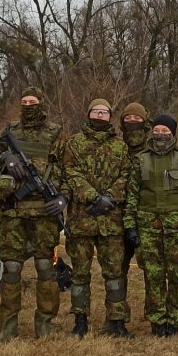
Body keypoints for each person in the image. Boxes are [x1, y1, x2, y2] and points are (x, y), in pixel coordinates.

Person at [0, 86, 68, 341]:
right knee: (10, 268)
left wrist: (63, 198)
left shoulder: (55, 133)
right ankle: (7, 328)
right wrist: (6, 158)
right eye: (24, 100)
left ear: (41, 103)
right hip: (13, 212)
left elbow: (68, 168)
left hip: (44, 212)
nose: (28, 104)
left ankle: (45, 325)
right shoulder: (8, 132)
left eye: (33, 101)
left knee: (45, 267)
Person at [124, 114, 178, 336]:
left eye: (165, 130)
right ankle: (158, 322)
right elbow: (132, 196)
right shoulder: (140, 160)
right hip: (148, 228)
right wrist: (130, 226)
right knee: (153, 276)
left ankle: (177, 321)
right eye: (157, 130)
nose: (160, 134)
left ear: (173, 133)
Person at [62, 99, 133, 338]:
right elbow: (70, 173)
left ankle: (117, 321)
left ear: (110, 116)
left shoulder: (120, 147)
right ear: (89, 113)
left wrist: (110, 197)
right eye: (96, 111)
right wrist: (93, 196)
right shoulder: (74, 143)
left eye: (104, 112)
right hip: (82, 218)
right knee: (80, 273)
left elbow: (127, 175)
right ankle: (80, 320)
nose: (100, 115)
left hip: (111, 220)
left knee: (114, 274)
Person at [119, 102, 152, 310]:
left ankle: (155, 315)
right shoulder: (116, 148)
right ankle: (117, 315)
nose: (132, 122)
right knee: (117, 270)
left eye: (137, 118)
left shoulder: (153, 150)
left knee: (152, 270)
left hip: (147, 219)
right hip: (117, 217)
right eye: (128, 119)